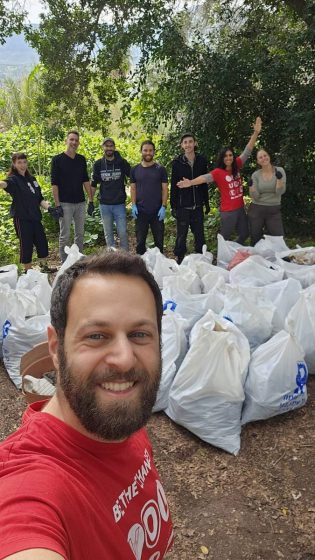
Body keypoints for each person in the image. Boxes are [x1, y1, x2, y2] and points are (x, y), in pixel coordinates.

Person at [0, 251, 174, 560]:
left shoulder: (113, 415)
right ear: (56, 348)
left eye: (139, 334)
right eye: (96, 336)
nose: (124, 359)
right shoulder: (30, 488)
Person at [177, 117, 262, 244]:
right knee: (224, 238)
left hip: (240, 209)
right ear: (221, 159)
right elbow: (204, 178)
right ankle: (222, 259)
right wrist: (190, 182)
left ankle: (233, 252)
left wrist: (256, 133)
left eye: (230, 155)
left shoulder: (237, 164)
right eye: (225, 156)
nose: (228, 158)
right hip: (228, 212)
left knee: (244, 233)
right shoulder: (218, 172)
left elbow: (247, 151)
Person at [0, 152, 59, 273]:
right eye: (19, 162)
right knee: (26, 244)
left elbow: (39, 199)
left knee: (41, 241)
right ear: (14, 164)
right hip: (22, 218)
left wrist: (49, 208)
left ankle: (44, 266)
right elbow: (4, 184)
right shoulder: (14, 180)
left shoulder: (32, 180)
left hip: (35, 217)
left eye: (24, 162)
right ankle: (28, 271)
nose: (22, 165)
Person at [51, 130, 93, 262]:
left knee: (79, 234)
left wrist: (91, 200)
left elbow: (85, 180)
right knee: (65, 235)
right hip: (65, 203)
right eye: (71, 139)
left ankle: (78, 261)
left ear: (78, 143)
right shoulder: (57, 160)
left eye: (76, 140)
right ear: (66, 141)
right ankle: (65, 263)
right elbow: (54, 184)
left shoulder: (81, 159)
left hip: (80, 203)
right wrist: (57, 205)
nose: (74, 142)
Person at [170, 133, 210, 264]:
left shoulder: (202, 161)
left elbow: (204, 184)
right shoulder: (177, 163)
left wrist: (206, 203)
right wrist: (173, 205)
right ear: (182, 145)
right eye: (185, 142)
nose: (188, 144)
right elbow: (174, 185)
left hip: (197, 205)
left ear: (195, 143)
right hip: (183, 206)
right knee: (181, 235)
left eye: (190, 141)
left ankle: (201, 258)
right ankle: (180, 259)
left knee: (199, 234)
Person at [91, 137, 130, 250]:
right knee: (108, 234)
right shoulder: (98, 164)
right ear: (103, 148)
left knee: (122, 232)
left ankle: (125, 258)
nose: (109, 148)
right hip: (105, 204)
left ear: (114, 148)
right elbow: (94, 183)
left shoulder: (121, 162)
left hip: (119, 204)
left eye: (111, 146)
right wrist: (90, 201)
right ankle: (111, 259)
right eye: (106, 146)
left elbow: (133, 176)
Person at [130, 140, 168, 255]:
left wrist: (164, 206)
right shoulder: (135, 169)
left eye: (150, 150)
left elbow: (165, 189)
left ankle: (159, 266)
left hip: (157, 211)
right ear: (141, 151)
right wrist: (133, 205)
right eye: (145, 150)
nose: (148, 152)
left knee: (159, 242)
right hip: (141, 211)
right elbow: (133, 188)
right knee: (140, 242)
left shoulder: (160, 169)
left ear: (154, 152)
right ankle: (140, 267)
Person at [248, 148, 286, 245]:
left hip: (274, 209)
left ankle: (283, 257)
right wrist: (251, 188)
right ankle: (256, 259)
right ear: (258, 161)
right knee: (255, 238)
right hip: (257, 208)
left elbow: (279, 192)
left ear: (269, 156)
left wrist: (279, 180)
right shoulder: (255, 175)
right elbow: (255, 197)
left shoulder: (280, 170)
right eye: (260, 157)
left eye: (265, 155)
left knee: (278, 238)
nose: (263, 158)